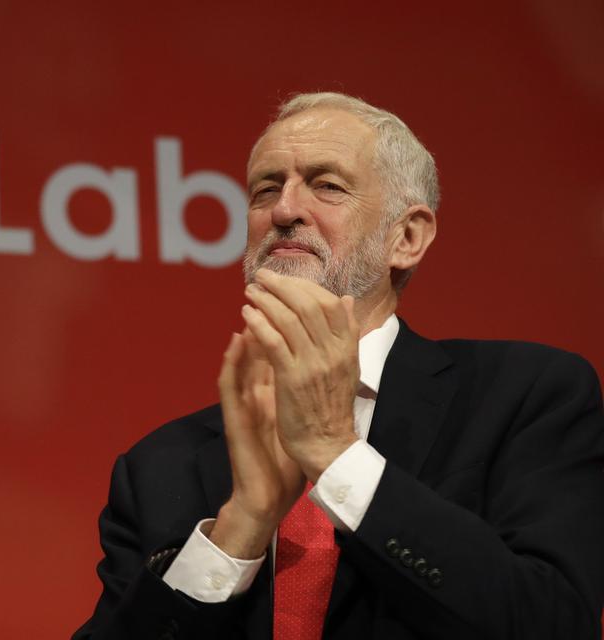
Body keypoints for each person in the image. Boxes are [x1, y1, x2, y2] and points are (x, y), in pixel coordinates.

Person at [73, 92, 604, 640]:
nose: (284, 210)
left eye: (326, 185)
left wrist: (334, 453)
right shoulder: (159, 465)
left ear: (408, 237)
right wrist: (240, 529)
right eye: (266, 189)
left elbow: (554, 622)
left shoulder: (524, 397)